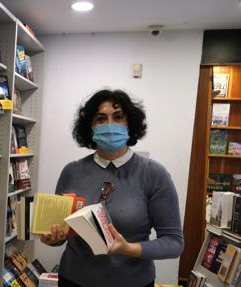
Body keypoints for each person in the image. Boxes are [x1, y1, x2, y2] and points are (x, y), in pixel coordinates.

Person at [40, 89, 184, 287]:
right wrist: (53, 238)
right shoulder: (71, 171)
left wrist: (129, 249)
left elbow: (174, 243)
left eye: (118, 117)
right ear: (89, 127)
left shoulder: (153, 174)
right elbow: (62, 233)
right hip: (73, 279)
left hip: (133, 282)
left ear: (130, 124)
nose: (109, 125)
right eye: (100, 119)